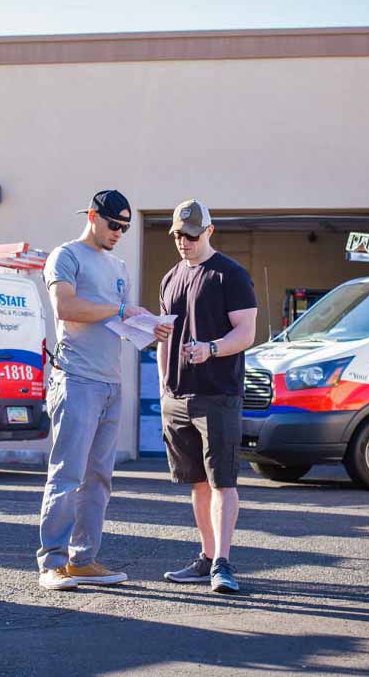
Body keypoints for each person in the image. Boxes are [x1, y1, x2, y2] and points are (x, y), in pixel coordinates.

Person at [37, 189, 172, 591]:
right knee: (67, 476)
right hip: (77, 380)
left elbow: (120, 322)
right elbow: (67, 308)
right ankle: (52, 564)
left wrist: (149, 326)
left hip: (111, 382)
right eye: (114, 225)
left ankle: (83, 560)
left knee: (98, 478)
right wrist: (118, 310)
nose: (119, 233)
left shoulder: (118, 266)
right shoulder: (66, 256)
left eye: (126, 228)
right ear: (93, 216)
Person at [157, 199, 258, 594]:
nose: (184, 242)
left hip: (218, 395)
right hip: (178, 397)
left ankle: (223, 564)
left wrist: (211, 349)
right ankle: (205, 557)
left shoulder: (230, 275)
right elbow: (164, 334)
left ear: (209, 232)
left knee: (222, 483)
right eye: (178, 235)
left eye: (192, 235)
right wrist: (164, 383)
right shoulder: (171, 278)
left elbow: (246, 332)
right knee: (197, 483)